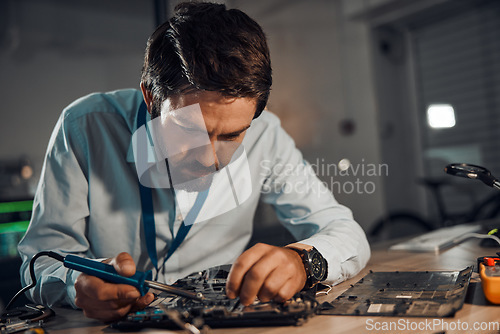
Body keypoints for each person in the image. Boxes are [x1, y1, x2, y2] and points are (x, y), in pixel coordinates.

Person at [18, 1, 370, 322]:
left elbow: (346, 231)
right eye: (189, 130)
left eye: (232, 136)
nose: (210, 159)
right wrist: (74, 284)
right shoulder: (84, 126)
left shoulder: (267, 134)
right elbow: (40, 260)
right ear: (151, 96)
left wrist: (302, 261)